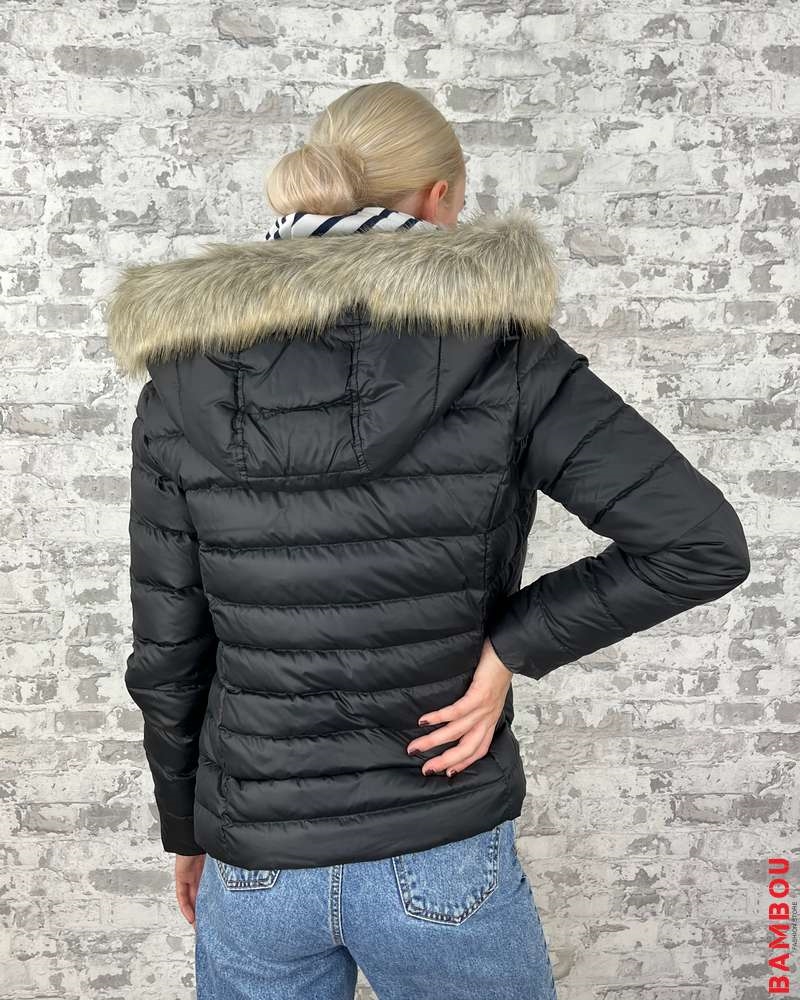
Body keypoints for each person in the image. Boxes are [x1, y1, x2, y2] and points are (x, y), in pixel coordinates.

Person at [105, 81, 750, 1000]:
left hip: (255, 861)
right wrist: (509, 651)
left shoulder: (181, 377)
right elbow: (699, 543)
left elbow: (168, 651)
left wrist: (186, 828)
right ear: (441, 196)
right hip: (438, 842)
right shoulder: (506, 353)